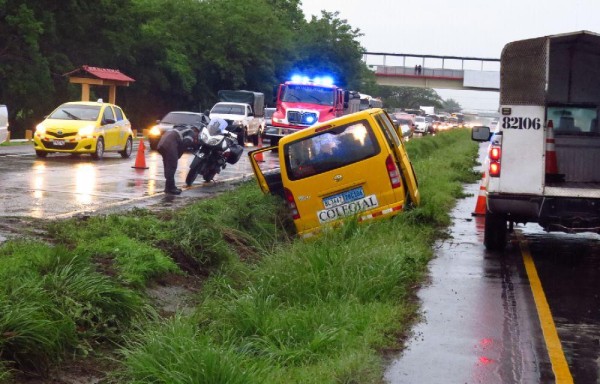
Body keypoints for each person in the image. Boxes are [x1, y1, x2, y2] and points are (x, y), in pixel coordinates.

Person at [157, 124, 200, 195]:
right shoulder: (191, 132)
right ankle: (171, 188)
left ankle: (168, 187)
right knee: (172, 166)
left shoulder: (181, 128)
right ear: (196, 131)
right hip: (170, 143)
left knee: (168, 166)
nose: (196, 137)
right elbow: (186, 143)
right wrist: (178, 154)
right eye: (197, 135)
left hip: (161, 143)